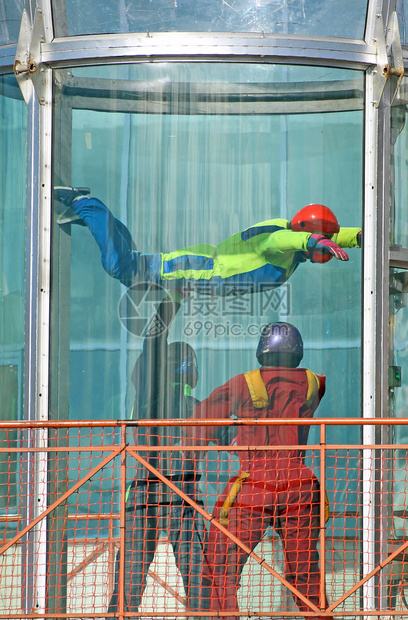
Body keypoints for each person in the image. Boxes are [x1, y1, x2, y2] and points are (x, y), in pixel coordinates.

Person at [184, 322, 333, 620]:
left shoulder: (244, 384)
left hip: (255, 485)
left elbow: (199, 419)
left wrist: (222, 442)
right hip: (300, 487)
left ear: (262, 350)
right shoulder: (315, 384)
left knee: (220, 566)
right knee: (304, 574)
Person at [54, 187, 361, 296]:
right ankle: (86, 204)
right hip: (201, 268)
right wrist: (313, 242)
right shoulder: (281, 245)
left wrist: (359, 237)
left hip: (200, 270)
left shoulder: (289, 231)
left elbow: (322, 231)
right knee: (119, 266)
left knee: (129, 263)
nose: (323, 254)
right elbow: (288, 240)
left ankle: (93, 218)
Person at [107, 293, 210, 615]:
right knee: (198, 580)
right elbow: (239, 438)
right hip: (184, 497)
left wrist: (171, 304)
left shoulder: (150, 398)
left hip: (144, 494)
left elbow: (152, 344)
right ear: (192, 372)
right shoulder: (201, 410)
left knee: (129, 583)